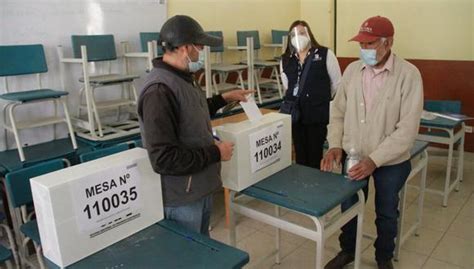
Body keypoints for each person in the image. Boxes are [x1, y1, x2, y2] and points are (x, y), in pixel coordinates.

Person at [321, 16, 423, 269]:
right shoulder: (353, 71)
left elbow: (407, 130)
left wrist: (374, 160)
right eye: (361, 44)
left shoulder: (409, 76)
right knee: (350, 205)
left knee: (387, 210)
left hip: (390, 161)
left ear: (387, 43)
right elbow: (338, 112)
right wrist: (335, 144)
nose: (363, 49)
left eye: (369, 44)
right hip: (354, 155)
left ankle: (383, 257)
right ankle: (348, 250)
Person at [137, 15, 250, 236]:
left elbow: (190, 113)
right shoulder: (159, 91)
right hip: (182, 198)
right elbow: (163, 159)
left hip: (199, 187)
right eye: (199, 47)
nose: (201, 53)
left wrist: (222, 99)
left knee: (202, 251)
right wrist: (215, 152)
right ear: (185, 48)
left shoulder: (182, 77)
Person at [280, 20, 341, 169]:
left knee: (315, 155)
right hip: (296, 116)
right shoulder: (286, 59)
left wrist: (319, 97)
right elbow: (287, 85)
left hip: (317, 115)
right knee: (300, 156)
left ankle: (315, 187)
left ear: (309, 34)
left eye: (302, 33)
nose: (298, 37)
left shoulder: (325, 54)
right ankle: (302, 188)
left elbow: (337, 84)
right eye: (294, 34)